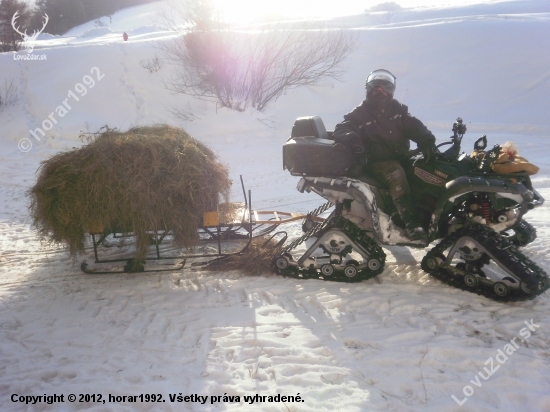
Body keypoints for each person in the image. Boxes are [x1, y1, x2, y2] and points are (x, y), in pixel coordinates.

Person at [332, 69, 437, 241]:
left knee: (424, 170)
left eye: (385, 87)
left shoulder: (397, 110)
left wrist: (427, 141)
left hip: (401, 157)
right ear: (368, 89)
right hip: (375, 162)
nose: (380, 91)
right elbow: (341, 129)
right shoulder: (360, 113)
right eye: (375, 87)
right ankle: (411, 222)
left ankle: (424, 213)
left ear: (391, 90)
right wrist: (354, 140)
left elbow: (414, 126)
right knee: (396, 173)